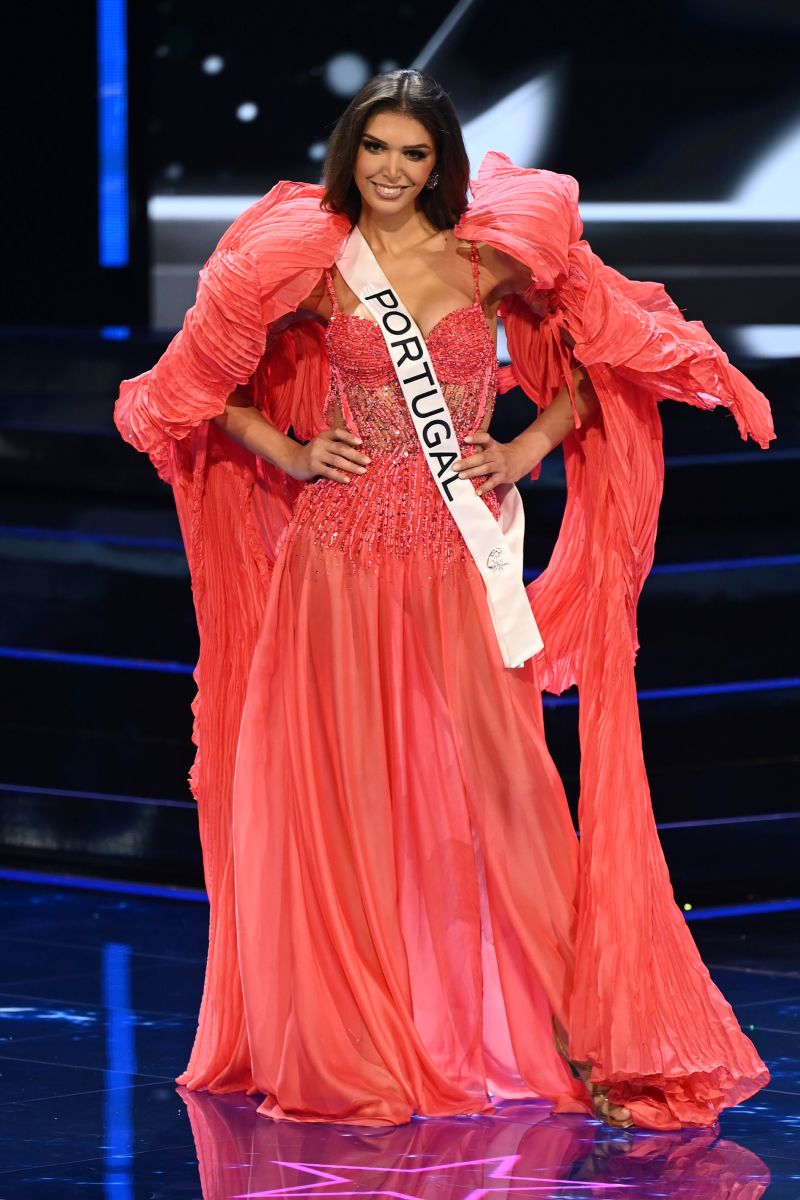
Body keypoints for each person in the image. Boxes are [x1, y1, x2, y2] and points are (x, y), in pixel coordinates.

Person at [115, 69, 774, 1131]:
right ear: (349, 154)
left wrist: (521, 443)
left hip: (454, 565)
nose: (389, 171)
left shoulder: (492, 258)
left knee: (506, 793)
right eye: (374, 149)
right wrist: (286, 443)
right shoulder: (313, 266)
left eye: (411, 154)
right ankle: (359, 1041)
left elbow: (595, 370)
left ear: (440, 166)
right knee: (342, 805)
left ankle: (576, 1034)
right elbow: (195, 389)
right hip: (334, 567)